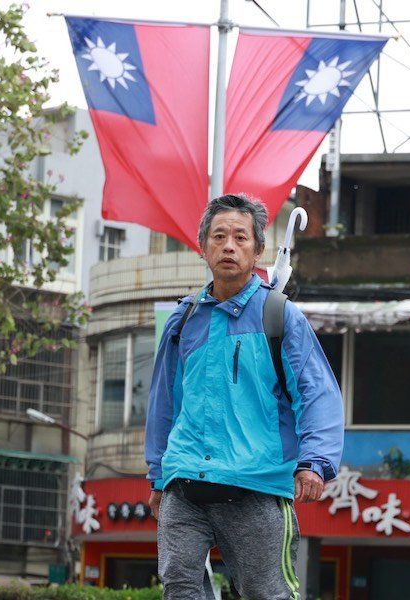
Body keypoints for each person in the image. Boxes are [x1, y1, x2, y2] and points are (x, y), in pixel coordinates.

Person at [146, 194, 344, 600]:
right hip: (185, 482)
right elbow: (164, 402)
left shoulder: (279, 315)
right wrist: (157, 472)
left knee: (265, 592)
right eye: (218, 237)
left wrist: (315, 462)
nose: (229, 246)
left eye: (240, 237)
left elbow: (317, 392)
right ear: (203, 247)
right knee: (179, 587)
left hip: (256, 485)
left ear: (258, 249)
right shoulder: (183, 320)